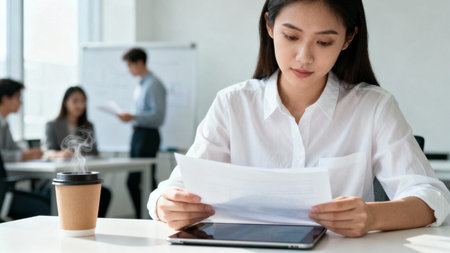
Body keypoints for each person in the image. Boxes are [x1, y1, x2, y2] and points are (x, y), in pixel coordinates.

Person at [148, 0, 450, 237]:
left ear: (348, 39)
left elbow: (432, 197)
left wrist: (372, 216)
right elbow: (172, 190)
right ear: (269, 25)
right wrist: (167, 206)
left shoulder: (373, 107)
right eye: (291, 36)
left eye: (324, 42)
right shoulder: (232, 104)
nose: (304, 57)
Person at [44, 86, 112, 217]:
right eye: (75, 101)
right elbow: (46, 152)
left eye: (83, 101)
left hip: (82, 177)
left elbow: (94, 152)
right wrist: (60, 154)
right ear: (65, 102)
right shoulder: (52, 125)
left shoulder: (88, 126)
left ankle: (91, 225)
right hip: (58, 178)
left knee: (104, 194)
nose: (80, 105)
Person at [120, 48, 167, 219]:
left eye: (130, 65)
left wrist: (134, 116)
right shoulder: (141, 85)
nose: (129, 70)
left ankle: (150, 216)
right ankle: (147, 216)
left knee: (142, 179)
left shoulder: (154, 84)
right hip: (138, 134)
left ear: (140, 62)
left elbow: (158, 116)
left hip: (148, 135)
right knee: (138, 180)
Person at [0, 79, 43, 162]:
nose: (21, 103)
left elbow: (12, 148)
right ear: (5, 99)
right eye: (18, 97)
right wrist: (24, 155)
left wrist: (29, 152)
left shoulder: (4, 123)